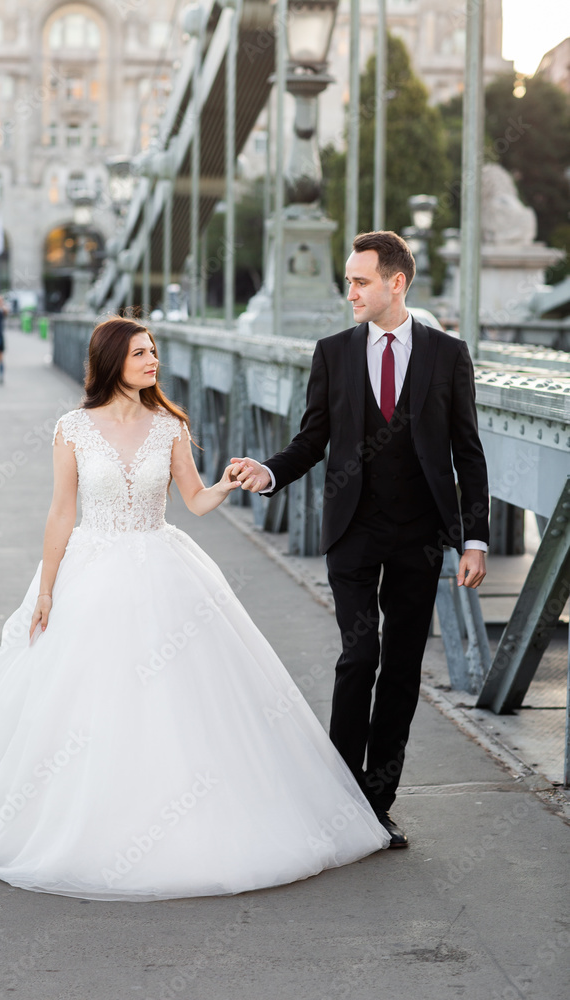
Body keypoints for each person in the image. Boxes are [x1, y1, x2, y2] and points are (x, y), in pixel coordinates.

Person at [0, 317, 389, 902]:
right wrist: (47, 590)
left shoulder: (170, 427)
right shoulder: (73, 429)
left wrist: (230, 483)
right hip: (91, 571)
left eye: (154, 351)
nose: (153, 360)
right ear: (112, 361)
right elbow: (61, 513)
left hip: (164, 565)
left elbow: (196, 501)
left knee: (183, 699)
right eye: (140, 353)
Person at [232, 231, 489, 849]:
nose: (350, 291)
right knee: (359, 657)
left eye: (360, 281)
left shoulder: (448, 355)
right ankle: (337, 798)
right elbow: (311, 439)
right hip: (352, 530)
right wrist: (269, 473)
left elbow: (468, 453)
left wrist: (474, 539)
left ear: (396, 283)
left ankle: (377, 806)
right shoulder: (333, 353)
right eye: (349, 280)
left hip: (419, 537)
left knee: (401, 669)